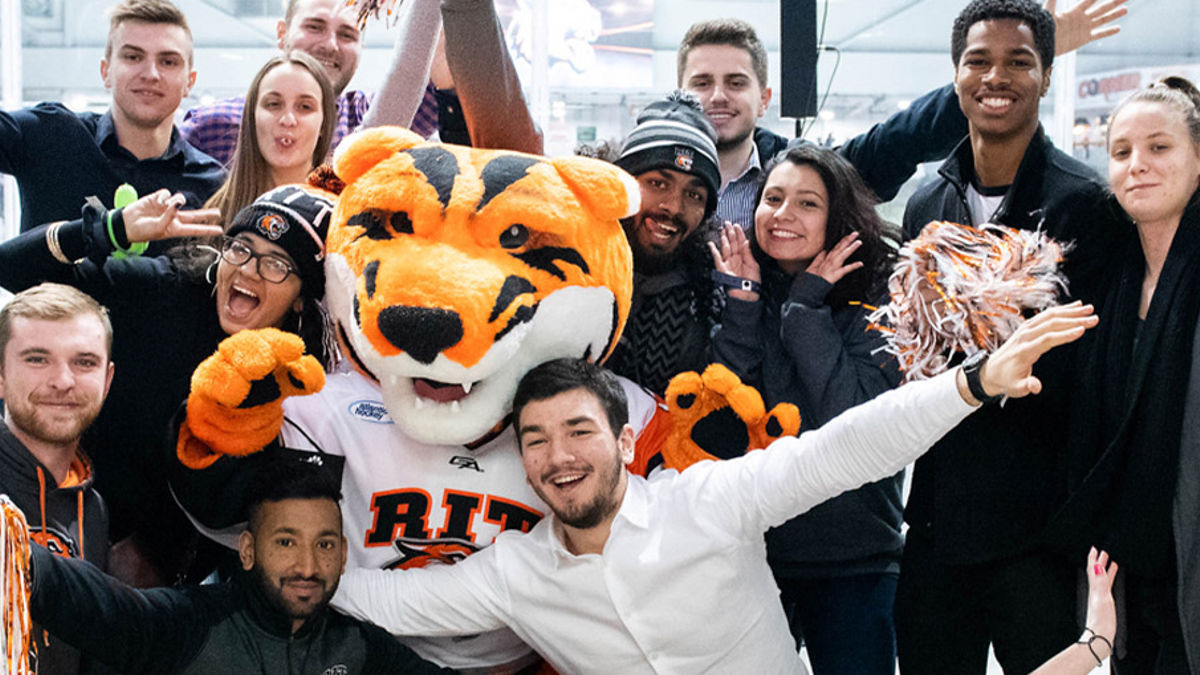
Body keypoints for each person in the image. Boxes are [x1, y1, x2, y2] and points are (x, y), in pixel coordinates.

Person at [330, 301, 1097, 674]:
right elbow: (386, 600)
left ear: (627, 441)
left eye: (578, 431)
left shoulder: (708, 501)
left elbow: (847, 448)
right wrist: (257, 561)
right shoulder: (512, 572)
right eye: (536, 441)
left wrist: (972, 383)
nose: (559, 456)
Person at [891, 2, 1122, 672]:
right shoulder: (926, 203)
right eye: (979, 61)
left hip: (1039, 534)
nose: (997, 76)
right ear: (957, 75)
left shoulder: (1087, 204)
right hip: (937, 524)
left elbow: (1101, 372)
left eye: (1019, 61)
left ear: (1046, 76)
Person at [0, 184, 334, 586]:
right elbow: (11, 268)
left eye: (276, 263)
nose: (247, 269)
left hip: (175, 591)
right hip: (58, 529)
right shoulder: (165, 292)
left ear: (301, 298)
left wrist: (162, 556)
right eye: (241, 248)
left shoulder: (303, 376)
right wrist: (111, 229)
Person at [676, 2, 1127, 230]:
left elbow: (902, 138)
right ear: (679, 93)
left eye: (736, 82)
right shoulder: (638, 180)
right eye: (701, 83)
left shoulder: (803, 174)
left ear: (765, 98)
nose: (718, 96)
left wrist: (995, 78)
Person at [709, 144, 900, 674]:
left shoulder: (879, 299)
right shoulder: (746, 286)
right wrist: (744, 308)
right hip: (756, 557)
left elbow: (858, 422)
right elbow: (724, 422)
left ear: (838, 218)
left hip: (854, 560)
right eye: (773, 198)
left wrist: (805, 308)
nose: (783, 214)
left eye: (807, 203)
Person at [13, 458, 451, 674]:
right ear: (247, 550)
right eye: (285, 542)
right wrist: (18, 553)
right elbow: (108, 608)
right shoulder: (194, 622)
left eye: (324, 544)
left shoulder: (359, 646)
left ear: (342, 554)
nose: (307, 565)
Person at [1056, 76, 1200, 673]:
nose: (1137, 165)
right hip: (1130, 571)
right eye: (1121, 152)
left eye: (1159, 148)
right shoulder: (1108, 284)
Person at [0, 0, 224, 232]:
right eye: (133, 57)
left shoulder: (212, 184)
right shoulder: (51, 134)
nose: (150, 74)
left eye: (168, 62)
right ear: (105, 71)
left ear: (190, 81)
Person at [0, 283, 115, 675]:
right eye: (37, 359)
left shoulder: (94, 510)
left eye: (84, 362)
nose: (63, 381)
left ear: (108, 380)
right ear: (0, 375)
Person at [179, 0, 438, 166]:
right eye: (315, 27)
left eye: (347, 34)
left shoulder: (373, 120)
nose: (330, 44)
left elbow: (427, 73)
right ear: (282, 33)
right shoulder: (211, 127)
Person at [605, 91, 721, 394]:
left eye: (694, 195)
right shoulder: (575, 269)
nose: (674, 207)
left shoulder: (710, 295)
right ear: (623, 184)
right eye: (657, 183)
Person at [203, 51, 336, 225]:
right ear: (252, 116)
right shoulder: (211, 217)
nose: (288, 120)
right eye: (274, 104)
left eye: (304, 107)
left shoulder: (347, 213)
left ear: (324, 124)